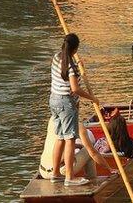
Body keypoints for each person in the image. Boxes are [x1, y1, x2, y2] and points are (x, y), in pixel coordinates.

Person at [49, 33, 102, 187]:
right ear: (75, 49)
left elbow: (67, 71)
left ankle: (56, 174)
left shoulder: (57, 57)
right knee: (70, 139)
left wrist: (79, 66)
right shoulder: (71, 67)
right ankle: (69, 177)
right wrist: (93, 99)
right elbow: (74, 88)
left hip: (54, 100)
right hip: (66, 104)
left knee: (59, 137)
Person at [39, 117, 105, 181]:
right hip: (61, 171)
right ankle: (92, 180)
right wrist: (109, 168)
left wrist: (76, 146)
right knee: (88, 151)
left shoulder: (53, 119)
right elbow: (93, 153)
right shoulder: (78, 126)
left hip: (43, 171)